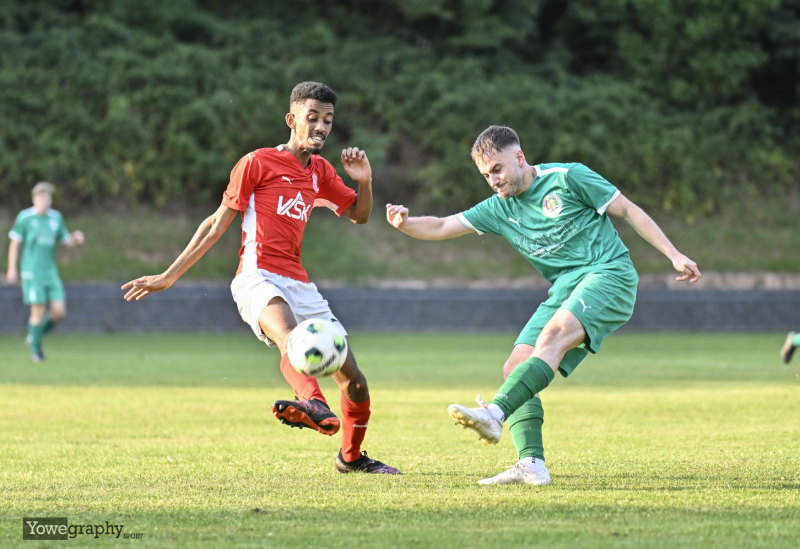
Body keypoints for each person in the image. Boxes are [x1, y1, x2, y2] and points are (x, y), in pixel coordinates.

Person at [386, 125, 700, 485]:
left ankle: (495, 414)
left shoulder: (568, 177)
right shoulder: (499, 208)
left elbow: (628, 210)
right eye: (486, 175)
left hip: (608, 273)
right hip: (565, 288)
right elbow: (441, 226)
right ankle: (531, 465)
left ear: (519, 158)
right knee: (515, 365)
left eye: (498, 169)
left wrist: (673, 254)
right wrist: (405, 223)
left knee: (552, 335)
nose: (493, 180)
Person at [121, 82, 400, 475]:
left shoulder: (320, 171)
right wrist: (169, 275)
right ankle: (313, 403)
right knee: (290, 337)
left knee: (355, 382)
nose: (321, 126)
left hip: (301, 285)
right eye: (312, 117)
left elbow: (359, 215)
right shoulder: (257, 163)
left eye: (328, 120)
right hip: (257, 276)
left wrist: (365, 182)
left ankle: (350, 458)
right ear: (292, 120)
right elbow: (216, 223)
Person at [6, 182, 85, 362]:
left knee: (59, 312)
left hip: (50, 273)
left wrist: (75, 238)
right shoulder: (25, 218)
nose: (45, 201)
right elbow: (15, 243)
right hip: (31, 273)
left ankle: (34, 335)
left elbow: (65, 241)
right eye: (41, 198)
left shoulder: (56, 218)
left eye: (48, 198)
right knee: (38, 311)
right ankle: (37, 352)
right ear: (34, 199)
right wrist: (12, 268)